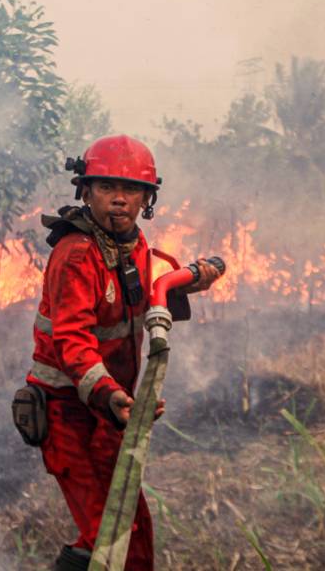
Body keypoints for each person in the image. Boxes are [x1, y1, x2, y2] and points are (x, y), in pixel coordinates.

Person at [24, 134, 221, 571]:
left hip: (109, 410)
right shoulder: (77, 255)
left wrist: (190, 282)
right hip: (69, 413)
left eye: (131, 189)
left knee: (132, 532)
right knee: (111, 539)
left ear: (147, 198)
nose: (119, 199)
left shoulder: (133, 245)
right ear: (85, 191)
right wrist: (110, 395)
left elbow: (146, 290)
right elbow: (72, 340)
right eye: (107, 187)